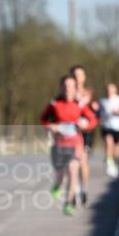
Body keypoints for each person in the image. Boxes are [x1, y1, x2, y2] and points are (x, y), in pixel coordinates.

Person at [40, 74, 97, 215]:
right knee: (61, 175)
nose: (68, 89)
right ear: (61, 87)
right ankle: (57, 186)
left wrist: (85, 125)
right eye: (65, 86)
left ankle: (68, 203)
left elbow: (93, 120)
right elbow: (43, 119)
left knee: (73, 171)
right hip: (59, 144)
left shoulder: (80, 105)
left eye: (71, 86)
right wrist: (50, 126)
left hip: (76, 144)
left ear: (75, 88)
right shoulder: (54, 104)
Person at [71, 65, 98, 206]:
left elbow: (95, 111)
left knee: (83, 162)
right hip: (71, 131)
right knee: (72, 162)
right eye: (74, 75)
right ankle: (74, 191)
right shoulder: (67, 91)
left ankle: (84, 189)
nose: (77, 77)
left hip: (86, 131)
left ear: (84, 77)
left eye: (79, 74)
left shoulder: (89, 92)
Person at [98, 82, 119, 177]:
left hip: (117, 127)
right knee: (108, 142)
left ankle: (115, 163)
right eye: (107, 89)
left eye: (111, 89)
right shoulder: (102, 100)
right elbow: (98, 113)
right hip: (106, 126)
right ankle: (108, 162)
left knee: (116, 149)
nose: (109, 91)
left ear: (115, 90)